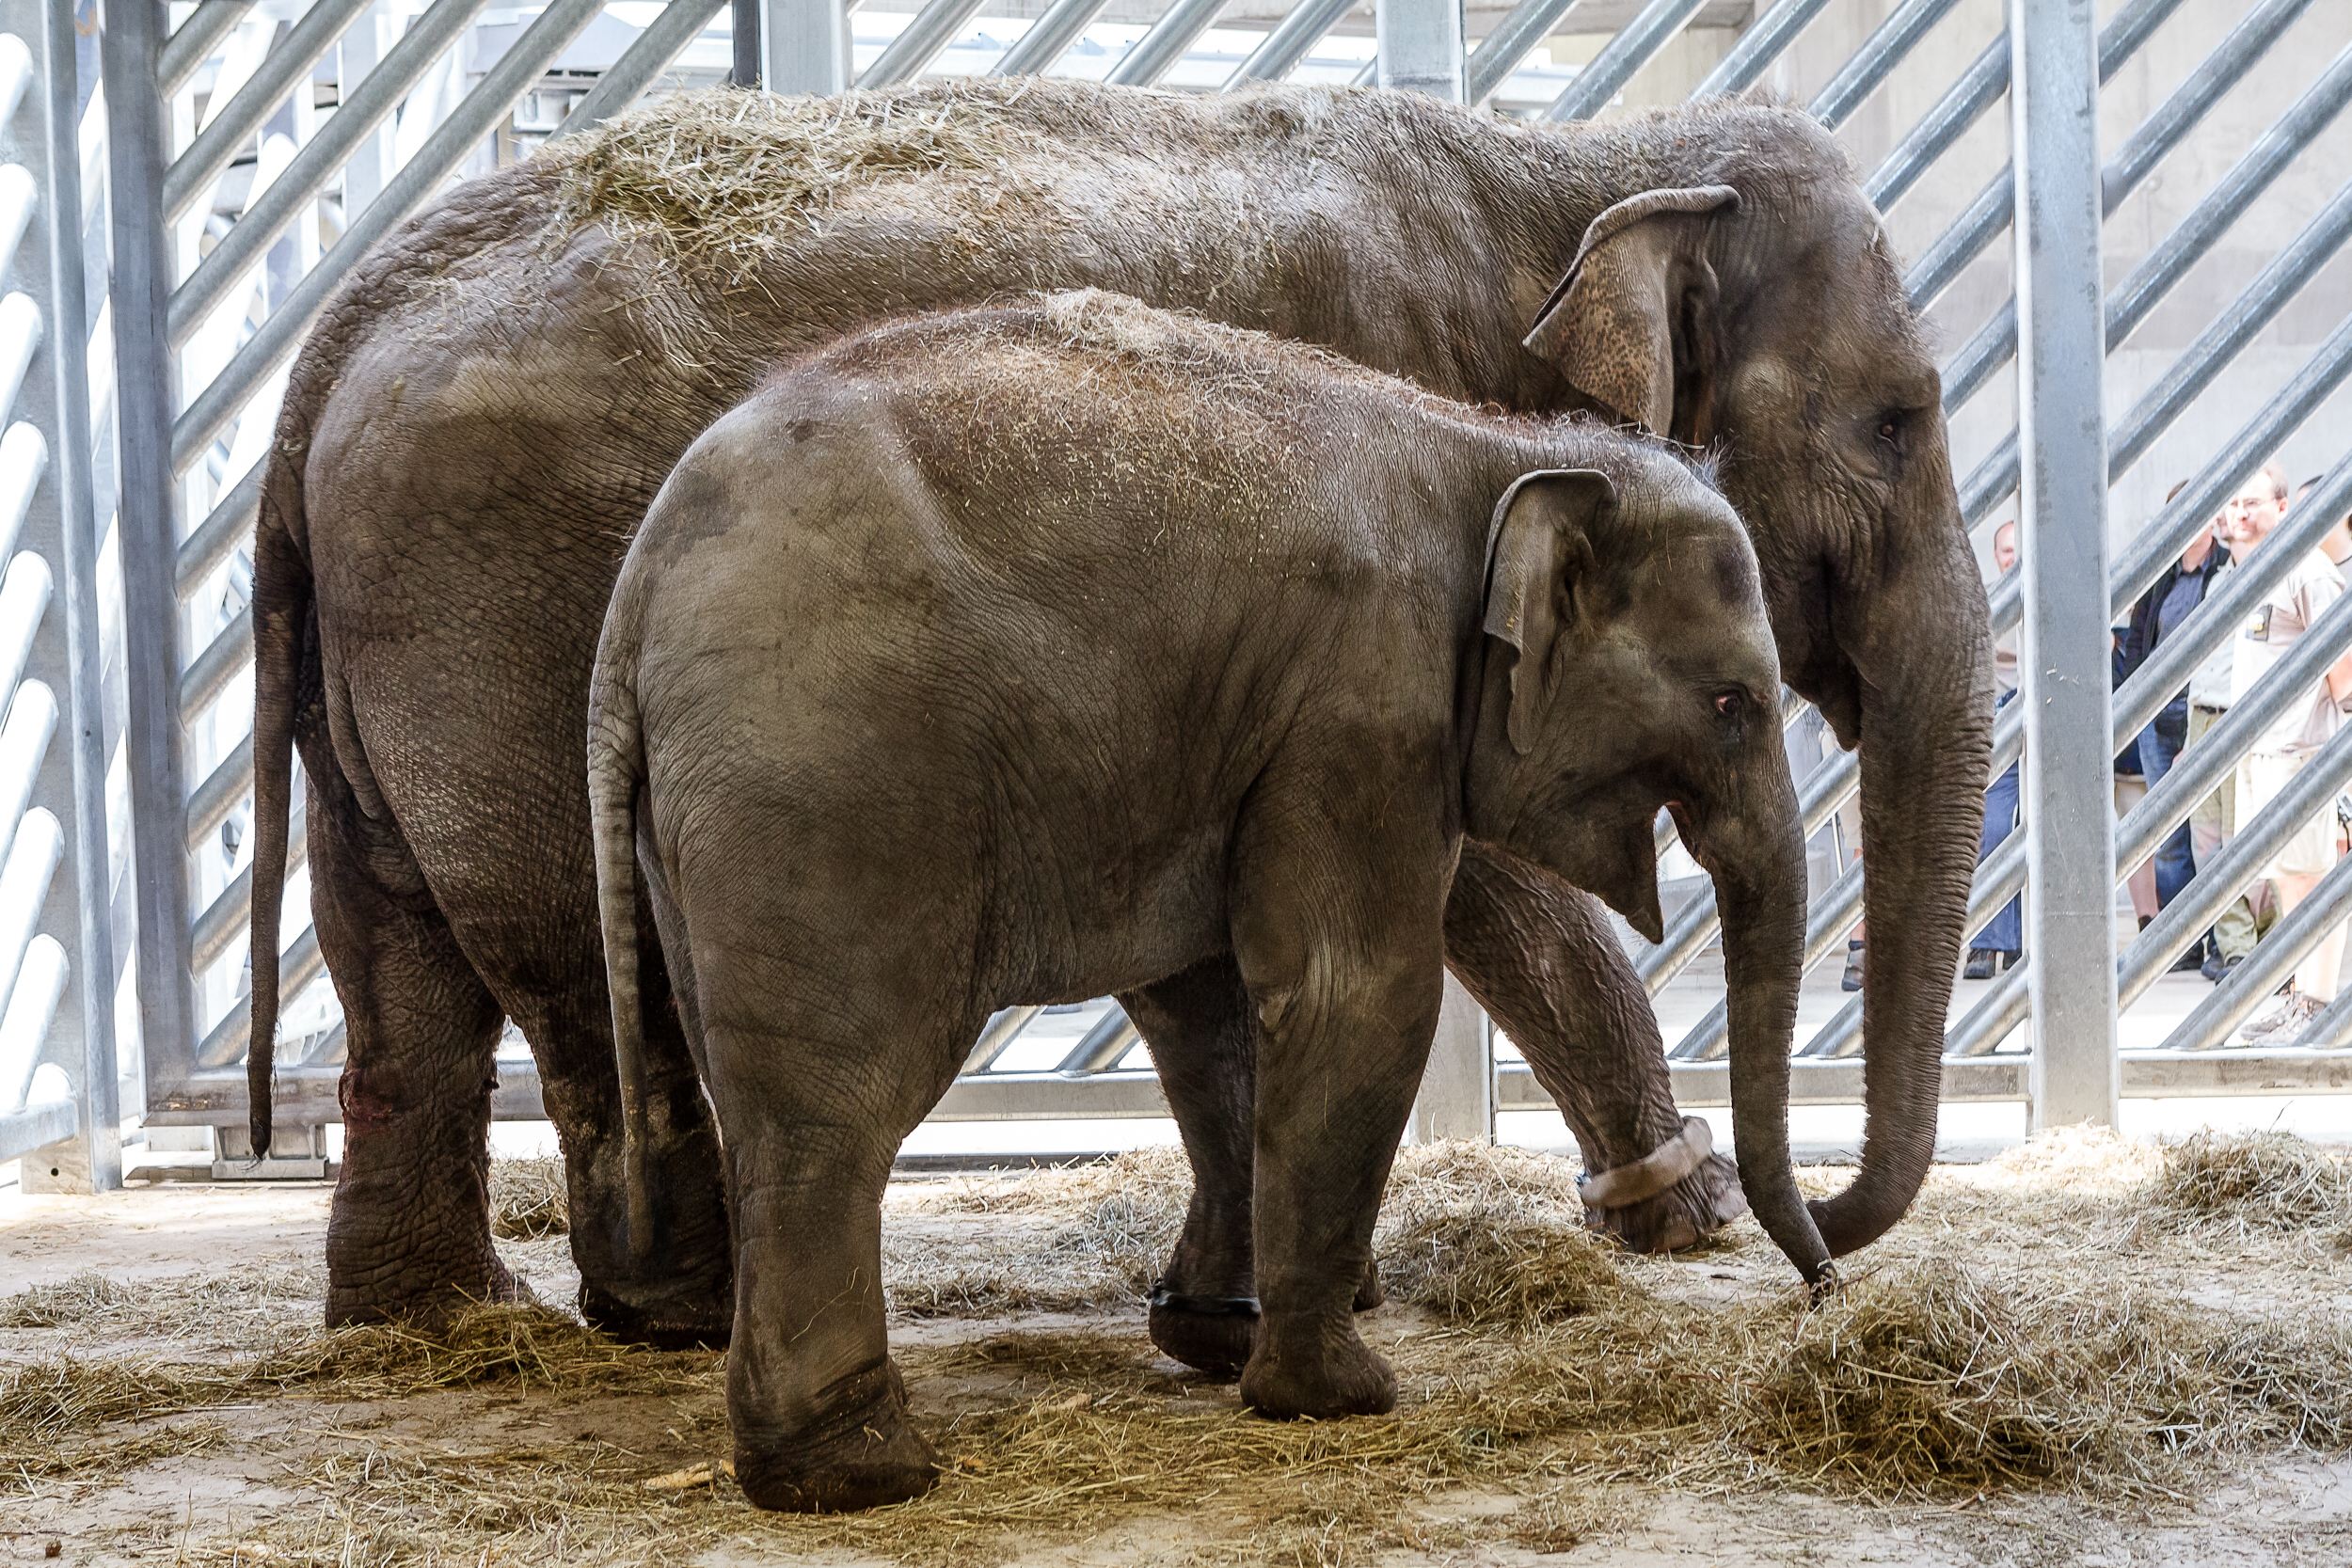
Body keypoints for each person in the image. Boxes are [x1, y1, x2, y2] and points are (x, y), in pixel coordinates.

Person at [2225, 465, 2352, 1042]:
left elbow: (2342, 668)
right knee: (2286, 881)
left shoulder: (2307, 570)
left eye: (2253, 502)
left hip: (2303, 753)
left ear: (2283, 506)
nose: (2241, 514)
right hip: (2264, 752)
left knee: (2311, 881)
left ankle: (2317, 1008)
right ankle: (2304, 998)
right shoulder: (2248, 573)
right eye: (2233, 505)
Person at [2121, 486, 2230, 968]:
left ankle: (2220, 934)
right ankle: (2182, 939)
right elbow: (2139, 645)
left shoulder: (2226, 569)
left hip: (2201, 710)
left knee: (2208, 827)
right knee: (2167, 831)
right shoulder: (2159, 576)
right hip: (2156, 714)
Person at [1964, 521, 2023, 979]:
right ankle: (1987, 942)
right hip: (1999, 715)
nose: (2012, 557)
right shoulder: (1984, 600)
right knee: (1993, 827)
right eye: (2005, 550)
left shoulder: (2056, 593)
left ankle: (2029, 942)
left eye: (2018, 549)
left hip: (2048, 711)